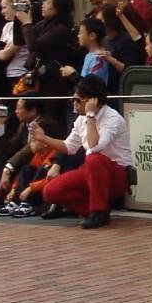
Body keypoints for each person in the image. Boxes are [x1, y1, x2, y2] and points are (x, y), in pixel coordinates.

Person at [35, 76, 132, 227]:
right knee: (50, 191)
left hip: (117, 173)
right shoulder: (81, 119)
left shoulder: (112, 117)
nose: (74, 104)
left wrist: (91, 115)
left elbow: (94, 147)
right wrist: (44, 138)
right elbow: (69, 147)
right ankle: (97, 211)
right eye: (73, 99)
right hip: (92, 171)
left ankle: (97, 212)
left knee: (93, 158)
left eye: (78, 100)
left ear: (93, 101)